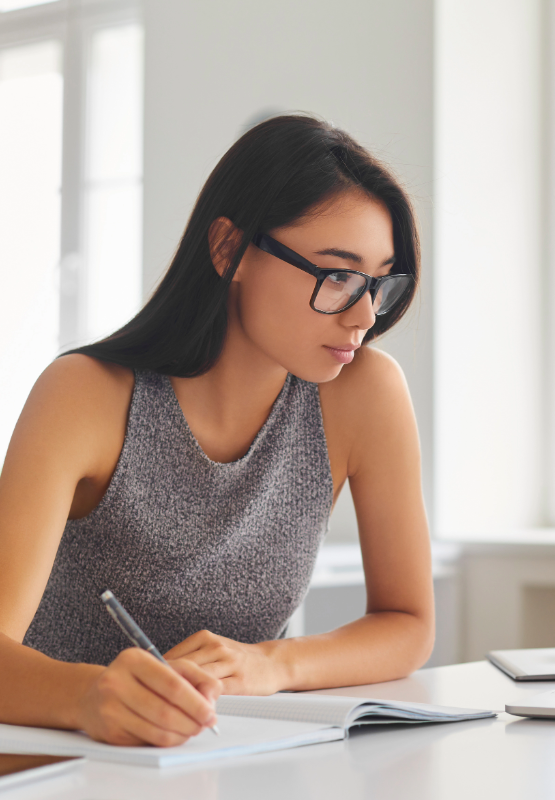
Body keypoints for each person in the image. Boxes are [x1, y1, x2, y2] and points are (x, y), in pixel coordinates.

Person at [0, 115, 434, 747]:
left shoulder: (363, 393)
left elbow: (408, 622)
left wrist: (272, 664)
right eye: (337, 275)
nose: (364, 315)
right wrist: (90, 696)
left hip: (227, 756)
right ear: (230, 249)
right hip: (57, 760)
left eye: (377, 283)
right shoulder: (85, 394)